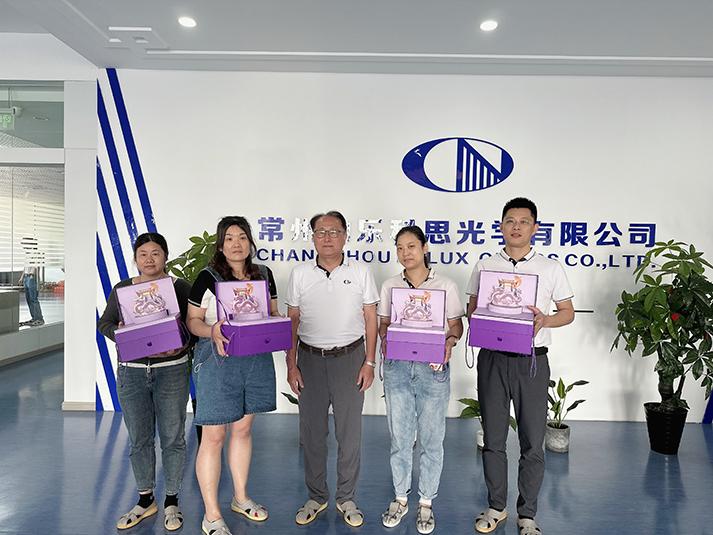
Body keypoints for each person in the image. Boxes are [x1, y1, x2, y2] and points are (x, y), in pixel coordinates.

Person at [466, 198, 574, 535]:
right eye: (510, 221)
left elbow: (568, 313)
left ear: (534, 228)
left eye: (524, 221)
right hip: (493, 359)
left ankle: (527, 515)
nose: (516, 227)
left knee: (532, 441)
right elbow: (471, 309)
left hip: (532, 361)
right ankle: (496, 507)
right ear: (501, 226)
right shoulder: (485, 266)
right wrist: (484, 318)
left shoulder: (550, 268)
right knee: (494, 439)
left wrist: (545, 320)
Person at [285, 210, 379, 527]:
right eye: (321, 232)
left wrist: (369, 362)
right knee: (313, 433)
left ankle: (346, 497)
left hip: (350, 358)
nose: (327, 237)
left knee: (348, 433)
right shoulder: (300, 274)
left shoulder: (361, 272)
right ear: (312, 237)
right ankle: (316, 497)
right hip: (309, 360)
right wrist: (291, 365)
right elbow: (292, 321)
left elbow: (370, 318)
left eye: (334, 231)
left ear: (345, 236)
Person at [186, 216, 279, 535]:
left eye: (242, 237)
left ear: (250, 242)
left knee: (242, 430)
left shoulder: (264, 274)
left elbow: (271, 312)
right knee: (213, 437)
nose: (236, 243)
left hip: (254, 360)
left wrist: (277, 322)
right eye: (229, 238)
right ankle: (211, 514)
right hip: (217, 359)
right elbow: (192, 321)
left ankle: (240, 498)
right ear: (220, 245)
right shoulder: (207, 277)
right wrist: (211, 330)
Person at [97, 232, 192, 531]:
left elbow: (194, 326)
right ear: (136, 259)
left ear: (165, 256)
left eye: (155, 253)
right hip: (132, 371)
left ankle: (172, 501)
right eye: (143, 254)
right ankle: (145, 499)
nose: (149, 259)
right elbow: (104, 323)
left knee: (173, 437)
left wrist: (182, 343)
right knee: (139, 438)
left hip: (172, 369)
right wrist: (122, 333)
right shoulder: (123, 289)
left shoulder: (180, 288)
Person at [378, 225, 464, 534]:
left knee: (431, 439)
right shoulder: (390, 285)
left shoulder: (445, 285)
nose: (405, 253)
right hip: (398, 367)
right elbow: (383, 324)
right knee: (400, 438)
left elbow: (456, 325)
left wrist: (450, 342)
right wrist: (387, 338)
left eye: (411, 246)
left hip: (432, 368)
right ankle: (400, 499)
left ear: (425, 248)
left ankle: (426, 502)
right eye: (400, 248)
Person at [18, 236, 44, 326]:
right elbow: (25, 267)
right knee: (29, 299)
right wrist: (22, 277)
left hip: (32, 278)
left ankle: (39, 318)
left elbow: (37, 265)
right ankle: (34, 318)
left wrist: (32, 275)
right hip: (26, 277)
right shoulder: (27, 254)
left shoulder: (36, 253)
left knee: (33, 299)